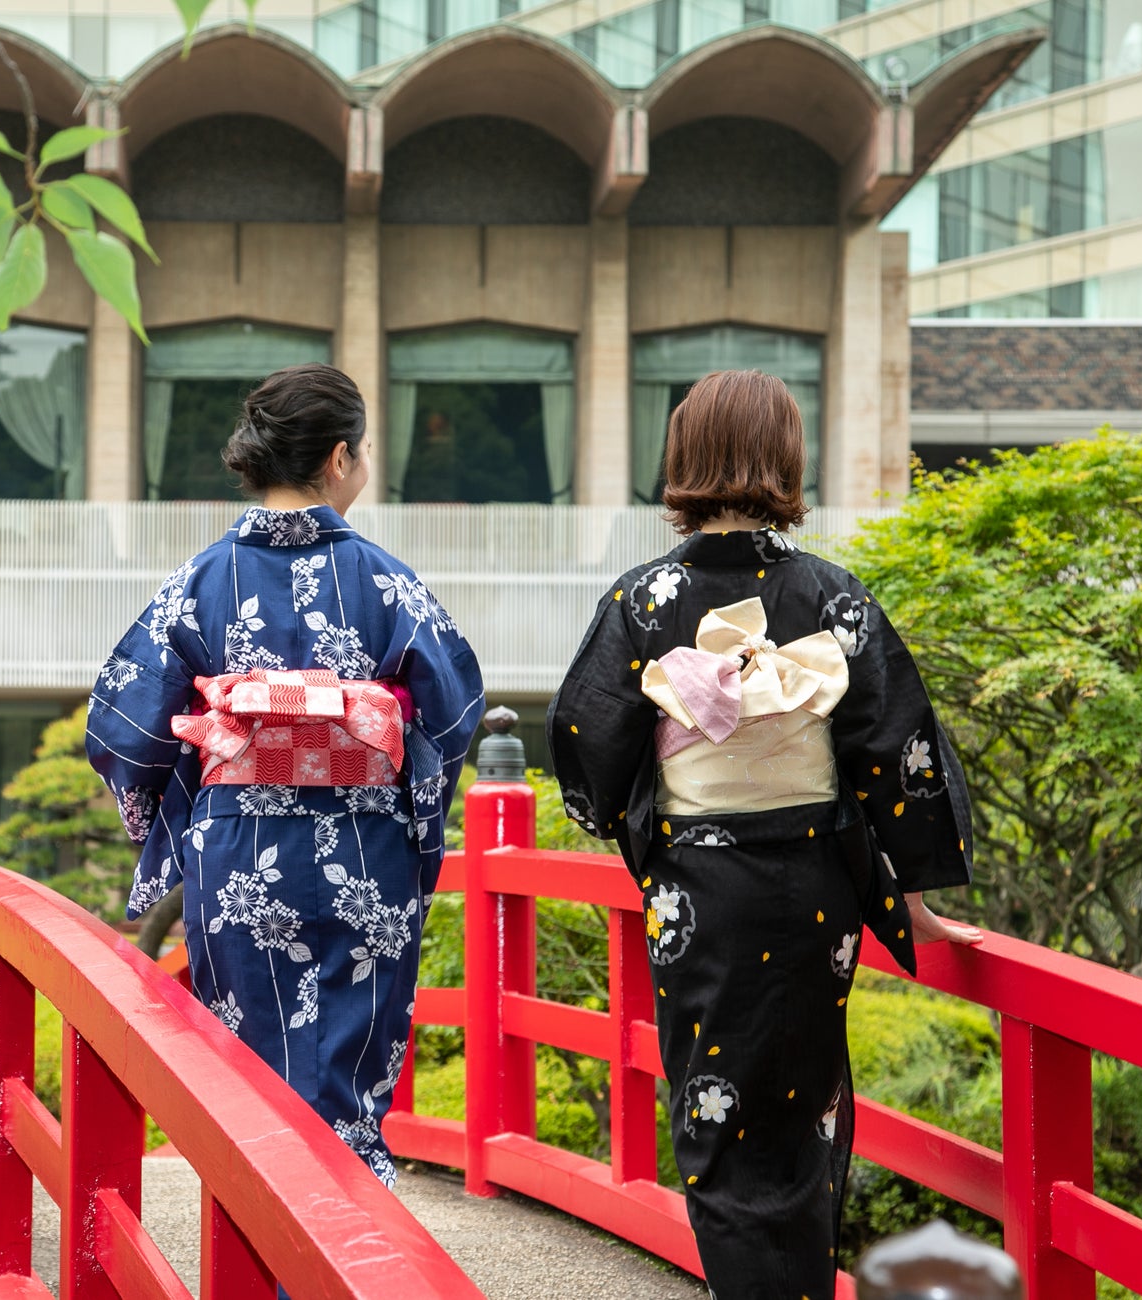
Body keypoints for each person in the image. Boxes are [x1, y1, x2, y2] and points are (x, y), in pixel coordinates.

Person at [548, 369, 983, 1299]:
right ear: (787, 458)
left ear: (685, 459)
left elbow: (589, 746)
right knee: (806, 1107)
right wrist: (913, 896)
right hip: (815, 887)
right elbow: (894, 751)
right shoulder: (833, 597)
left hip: (702, 896)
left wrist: (642, 816)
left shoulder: (645, 598)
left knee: (718, 1113)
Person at [86, 364, 485, 1184]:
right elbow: (453, 713)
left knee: (249, 1088)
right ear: (340, 458)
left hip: (239, 854)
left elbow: (122, 732)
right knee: (347, 1092)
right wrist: (406, 804)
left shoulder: (201, 581)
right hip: (366, 855)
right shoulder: (388, 583)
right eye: (365, 451)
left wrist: (183, 811)